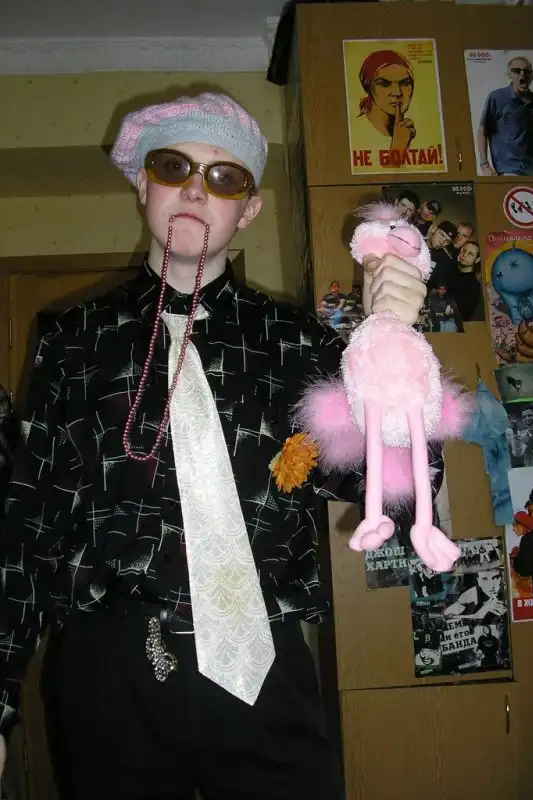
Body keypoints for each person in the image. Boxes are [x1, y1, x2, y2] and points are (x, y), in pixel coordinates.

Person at [0, 93, 430, 799]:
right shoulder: (72, 340)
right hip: (110, 672)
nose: (197, 189)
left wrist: (394, 346)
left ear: (249, 209)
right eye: (175, 167)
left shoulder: (301, 344)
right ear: (143, 183)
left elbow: (404, 490)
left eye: (224, 177)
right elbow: (28, 524)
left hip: (265, 666)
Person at [477, 56, 533, 177]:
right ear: (509, 74)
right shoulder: (496, 97)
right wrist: (484, 165)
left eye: (526, 72)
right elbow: (483, 129)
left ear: (532, 76)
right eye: (517, 71)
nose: (522, 74)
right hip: (508, 168)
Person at [354, 49, 416, 153]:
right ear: (368, 87)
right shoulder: (356, 131)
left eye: (405, 83)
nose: (397, 92)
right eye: (383, 83)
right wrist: (398, 146)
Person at [449, 240, 483, 322]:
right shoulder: (449, 270)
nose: (464, 255)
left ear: (477, 259)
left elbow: (462, 315)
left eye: (470, 254)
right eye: (464, 250)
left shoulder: (473, 285)